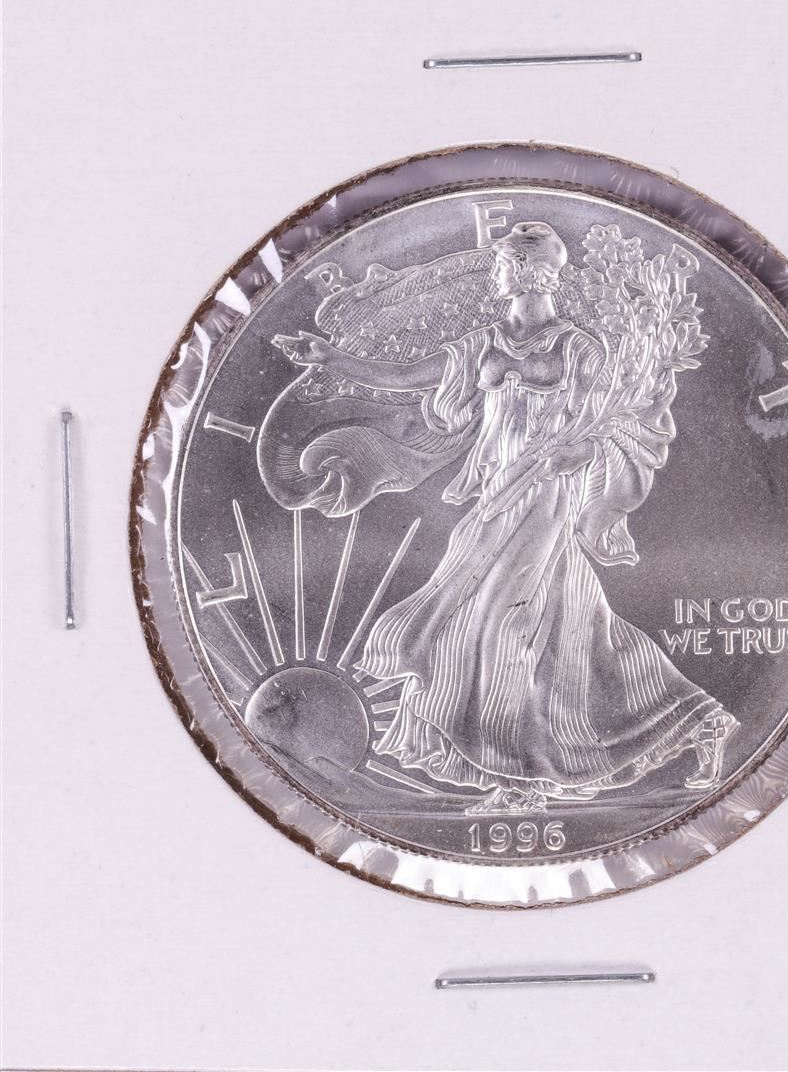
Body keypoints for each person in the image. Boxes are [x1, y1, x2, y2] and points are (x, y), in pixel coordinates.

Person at [282, 222, 737, 812]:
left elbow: (617, 425)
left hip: (546, 496)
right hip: (497, 495)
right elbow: (406, 377)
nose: (493, 275)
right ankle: (696, 720)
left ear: (525, 271)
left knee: (499, 623)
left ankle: (522, 781)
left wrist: (583, 451)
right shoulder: (484, 343)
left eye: (500, 265)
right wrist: (332, 357)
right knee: (578, 631)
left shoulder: (579, 349)